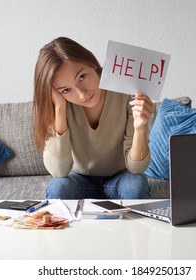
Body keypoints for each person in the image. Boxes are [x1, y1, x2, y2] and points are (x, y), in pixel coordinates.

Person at [33, 37, 153, 199]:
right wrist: (60, 108)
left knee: (135, 185)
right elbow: (59, 172)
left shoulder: (125, 91)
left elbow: (137, 168)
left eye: (82, 77)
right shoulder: (59, 104)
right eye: (66, 89)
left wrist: (140, 127)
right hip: (79, 180)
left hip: (120, 178)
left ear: (92, 63)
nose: (82, 94)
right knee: (58, 187)